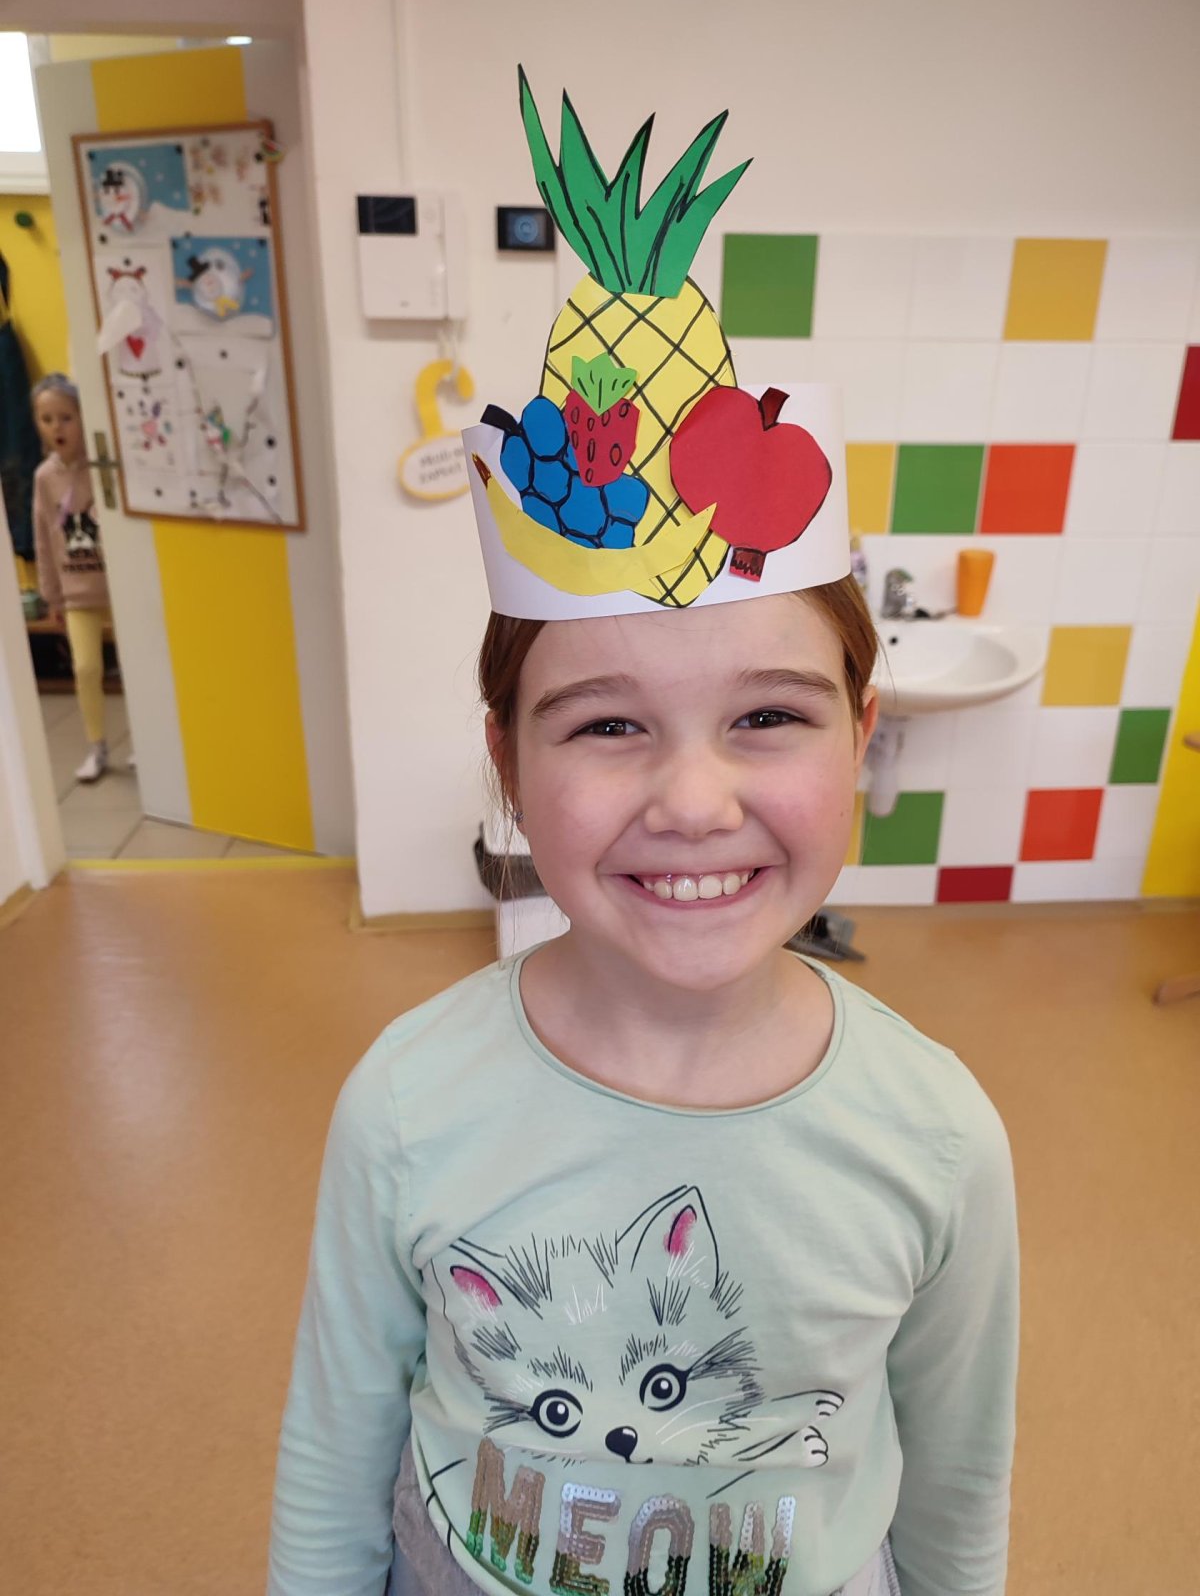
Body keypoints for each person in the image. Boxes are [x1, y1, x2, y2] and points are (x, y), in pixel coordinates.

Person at [268, 77, 1018, 1596]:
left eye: (770, 716)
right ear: (507, 758)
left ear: (863, 735)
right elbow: (332, 1460)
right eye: (608, 724)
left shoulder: (938, 1139)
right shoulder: (406, 1108)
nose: (691, 800)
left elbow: (957, 1486)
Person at [31, 373, 113, 783]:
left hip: (116, 589)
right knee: (85, 668)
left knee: (139, 667)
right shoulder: (44, 477)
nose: (56, 428)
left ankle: (150, 740)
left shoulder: (102, 466)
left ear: (83, 417)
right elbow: (44, 539)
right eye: (46, 419)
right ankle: (97, 745)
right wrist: (52, 597)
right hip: (77, 593)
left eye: (65, 417)